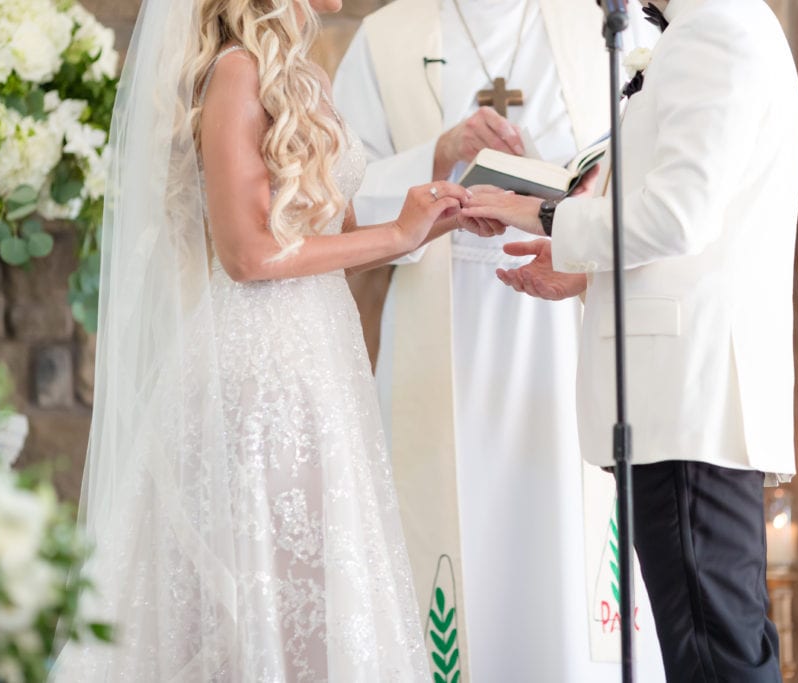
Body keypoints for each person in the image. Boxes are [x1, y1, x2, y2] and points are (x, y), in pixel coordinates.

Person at [49, 0, 487, 678]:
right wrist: (397, 234)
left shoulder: (296, 74)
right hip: (259, 381)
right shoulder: (236, 72)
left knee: (314, 597)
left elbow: (319, 243)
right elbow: (249, 255)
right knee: (260, 597)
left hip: (316, 361)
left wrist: (429, 223)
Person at [462, 0, 798, 680]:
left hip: (685, 399)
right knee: (720, 645)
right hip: (685, 397)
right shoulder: (717, 28)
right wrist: (584, 276)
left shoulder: (718, 31)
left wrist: (542, 211)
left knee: (714, 654)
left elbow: (678, 217)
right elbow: (704, 234)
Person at [332, 2, 662, 680]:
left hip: (567, 317)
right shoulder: (387, 36)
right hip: (444, 321)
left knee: (566, 546)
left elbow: (660, 164)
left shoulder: (611, 22)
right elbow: (338, 200)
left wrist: (583, 189)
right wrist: (440, 153)